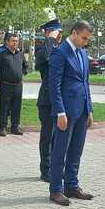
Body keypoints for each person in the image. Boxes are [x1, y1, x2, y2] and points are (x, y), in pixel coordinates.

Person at [48, 20, 95, 206]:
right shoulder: (60, 53)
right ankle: (56, 190)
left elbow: (85, 83)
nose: (86, 42)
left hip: (81, 110)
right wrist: (60, 112)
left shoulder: (82, 53)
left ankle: (71, 186)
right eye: (84, 38)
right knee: (60, 151)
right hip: (65, 112)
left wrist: (89, 109)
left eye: (88, 39)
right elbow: (54, 86)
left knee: (76, 150)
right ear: (74, 33)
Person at [35, 19, 62, 182]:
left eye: (58, 33)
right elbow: (45, 59)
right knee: (47, 136)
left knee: (58, 137)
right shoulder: (42, 49)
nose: (59, 36)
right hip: (47, 100)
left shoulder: (60, 49)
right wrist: (50, 39)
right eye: (55, 33)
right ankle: (45, 170)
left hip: (60, 100)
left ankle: (55, 168)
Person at [0, 32, 28, 136]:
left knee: (17, 107)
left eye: (17, 41)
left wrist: (22, 71)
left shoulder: (19, 53)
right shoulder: (1, 53)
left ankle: (15, 127)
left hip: (18, 85)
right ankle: (2, 127)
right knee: (4, 107)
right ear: (7, 42)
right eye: (13, 41)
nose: (15, 43)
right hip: (6, 84)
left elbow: (25, 66)